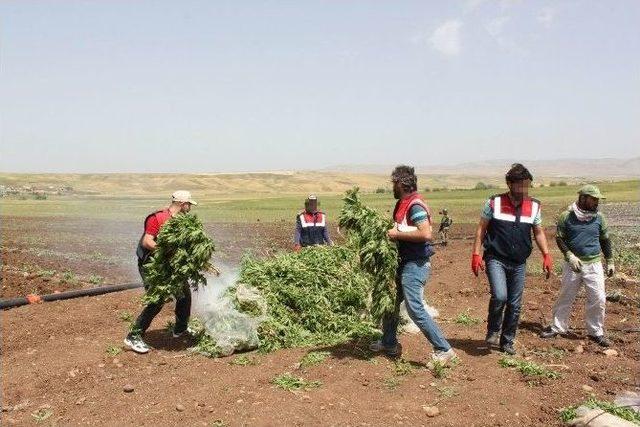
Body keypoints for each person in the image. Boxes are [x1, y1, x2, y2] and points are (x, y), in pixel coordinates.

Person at [370, 165, 457, 365]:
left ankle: (444, 349)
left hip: (415, 264)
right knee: (390, 303)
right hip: (403, 262)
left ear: (401, 183)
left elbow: (426, 234)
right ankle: (389, 342)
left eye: (393, 183)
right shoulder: (402, 203)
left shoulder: (415, 205)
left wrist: (396, 234)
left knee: (414, 308)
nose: (392, 187)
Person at [471, 163, 553, 355]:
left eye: (527, 186)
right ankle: (493, 330)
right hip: (496, 258)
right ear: (509, 183)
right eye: (520, 186)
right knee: (500, 296)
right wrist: (476, 254)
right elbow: (481, 229)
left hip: (519, 262)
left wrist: (546, 254)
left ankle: (507, 341)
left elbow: (538, 232)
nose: (524, 190)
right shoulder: (494, 203)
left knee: (515, 304)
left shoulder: (534, 206)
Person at [539, 185, 614, 347]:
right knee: (566, 296)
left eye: (597, 199)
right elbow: (560, 239)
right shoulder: (566, 216)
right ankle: (559, 327)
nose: (596, 202)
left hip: (594, 265)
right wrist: (569, 256)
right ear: (583, 198)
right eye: (593, 199)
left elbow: (605, 240)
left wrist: (610, 260)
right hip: (572, 265)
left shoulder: (599, 218)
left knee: (598, 298)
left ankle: (596, 332)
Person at [124, 190, 198, 354]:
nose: (190, 208)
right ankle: (133, 336)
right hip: (151, 265)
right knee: (157, 299)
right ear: (181, 203)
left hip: (169, 264)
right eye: (189, 204)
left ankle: (180, 329)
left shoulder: (181, 221)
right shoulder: (157, 218)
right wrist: (167, 251)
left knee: (184, 294)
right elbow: (147, 241)